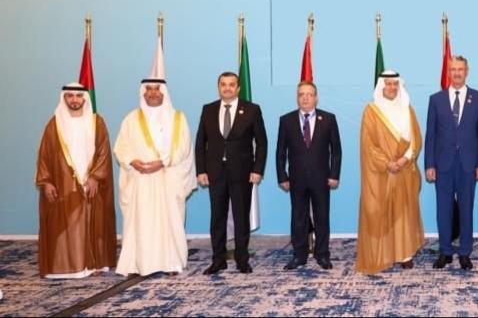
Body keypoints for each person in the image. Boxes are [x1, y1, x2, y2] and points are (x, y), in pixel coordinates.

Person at [114, 78, 196, 275]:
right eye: (148, 89)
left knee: (169, 222)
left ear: (164, 92)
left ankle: (171, 263)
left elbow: (183, 147)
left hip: (167, 179)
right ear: (143, 92)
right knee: (141, 223)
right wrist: (133, 161)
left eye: (157, 89)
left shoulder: (178, 118)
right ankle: (137, 264)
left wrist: (161, 163)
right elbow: (121, 147)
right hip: (140, 179)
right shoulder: (131, 119)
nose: (152, 93)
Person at [35, 83, 117, 278]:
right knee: (65, 224)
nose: (74, 100)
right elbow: (44, 156)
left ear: (84, 98)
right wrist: (46, 182)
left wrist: (96, 177)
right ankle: (64, 267)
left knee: (93, 222)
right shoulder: (54, 125)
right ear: (64, 98)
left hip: (92, 184)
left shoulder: (97, 122)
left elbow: (104, 152)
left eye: (78, 96)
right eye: (70, 96)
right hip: (63, 184)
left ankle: (93, 265)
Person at [195, 72, 268, 275]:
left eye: (231, 84)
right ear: (219, 87)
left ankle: (242, 260)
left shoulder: (252, 110)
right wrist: (201, 170)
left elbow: (262, 143)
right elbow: (200, 143)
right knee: (217, 217)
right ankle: (218, 260)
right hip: (215, 173)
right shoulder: (208, 109)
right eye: (223, 84)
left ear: (238, 88)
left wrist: (257, 170)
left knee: (241, 217)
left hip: (242, 173)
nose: (227, 88)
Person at [356, 71, 424, 274]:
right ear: (381, 86)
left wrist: (405, 159)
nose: (392, 88)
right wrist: (387, 163)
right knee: (381, 212)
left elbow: (415, 139)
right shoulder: (371, 111)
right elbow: (368, 145)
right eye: (388, 84)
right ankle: (384, 253)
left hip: (404, 169)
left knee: (403, 212)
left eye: (395, 84)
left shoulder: (407, 109)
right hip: (382, 173)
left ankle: (405, 254)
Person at [424, 55, 478, 270]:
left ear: (466, 71)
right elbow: (430, 135)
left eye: (461, 69)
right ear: (449, 72)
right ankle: (445, 251)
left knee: (466, 208)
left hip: (468, 164)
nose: (457, 73)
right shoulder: (436, 99)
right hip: (443, 164)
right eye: (453, 69)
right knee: (443, 210)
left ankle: (465, 252)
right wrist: (429, 164)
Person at [276, 81, 342, 270]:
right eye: (301, 94)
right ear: (297, 97)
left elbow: (336, 151)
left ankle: (322, 255)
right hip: (296, 179)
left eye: (309, 94)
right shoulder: (286, 120)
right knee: (298, 218)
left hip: (322, 178)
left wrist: (334, 174)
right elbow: (280, 152)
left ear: (316, 98)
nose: (305, 98)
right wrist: (282, 176)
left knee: (322, 217)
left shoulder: (328, 119)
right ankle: (299, 255)